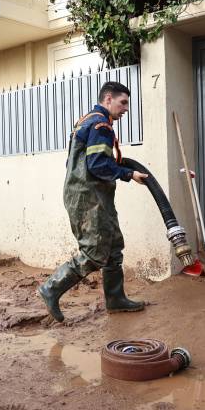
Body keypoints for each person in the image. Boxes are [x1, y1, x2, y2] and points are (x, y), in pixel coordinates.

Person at [38, 81, 148, 322]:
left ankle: (116, 299)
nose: (126, 108)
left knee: (114, 245)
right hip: (88, 197)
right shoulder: (100, 125)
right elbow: (97, 165)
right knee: (95, 252)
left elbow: (86, 161)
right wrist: (129, 174)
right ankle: (51, 288)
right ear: (108, 99)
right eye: (123, 103)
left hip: (94, 195)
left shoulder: (89, 120)